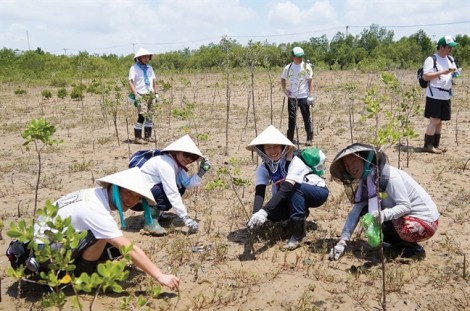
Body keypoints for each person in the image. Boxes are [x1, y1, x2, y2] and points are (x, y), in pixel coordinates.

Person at [28, 168, 180, 290]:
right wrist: (160, 276)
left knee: (110, 244)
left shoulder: (93, 194)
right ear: (114, 188)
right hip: (45, 253)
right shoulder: (96, 208)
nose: (132, 201)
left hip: (39, 243)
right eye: (128, 193)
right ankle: (83, 274)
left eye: (137, 197)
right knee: (103, 236)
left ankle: (77, 265)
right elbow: (129, 249)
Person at [328, 143, 439, 261]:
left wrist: (381, 216)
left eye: (353, 161)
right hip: (405, 218)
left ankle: (411, 247)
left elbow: (405, 206)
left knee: (376, 220)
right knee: (365, 213)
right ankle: (399, 244)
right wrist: (342, 241)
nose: (350, 168)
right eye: (346, 165)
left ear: (364, 159)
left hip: (425, 222)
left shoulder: (390, 176)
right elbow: (356, 211)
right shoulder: (367, 181)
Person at [246, 125, 329, 250]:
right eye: (268, 148)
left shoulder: (295, 162)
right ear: (262, 150)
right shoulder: (263, 168)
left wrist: (264, 211)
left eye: (276, 147)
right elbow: (260, 192)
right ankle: (301, 213)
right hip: (291, 194)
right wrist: (256, 214)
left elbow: (287, 188)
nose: (273, 151)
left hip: (316, 192)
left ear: (283, 147)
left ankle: (298, 234)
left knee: (294, 188)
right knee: (272, 215)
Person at [136, 135, 211, 235]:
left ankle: (157, 214)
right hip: (136, 199)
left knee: (180, 187)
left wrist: (201, 172)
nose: (188, 159)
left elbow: (187, 184)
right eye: (186, 154)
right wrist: (186, 218)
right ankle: (150, 222)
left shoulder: (177, 166)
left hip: (146, 194)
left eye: (192, 158)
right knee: (165, 190)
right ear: (176, 151)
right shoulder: (166, 163)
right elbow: (172, 193)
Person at [422, 35, 458, 153]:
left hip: (446, 95)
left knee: (440, 121)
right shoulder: (432, 59)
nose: (450, 49)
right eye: (448, 47)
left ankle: (435, 145)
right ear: (441, 47)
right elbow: (426, 76)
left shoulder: (450, 59)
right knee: (434, 120)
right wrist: (443, 72)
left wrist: (454, 74)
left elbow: (453, 72)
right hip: (434, 94)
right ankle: (428, 146)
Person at [280, 46, 315, 146]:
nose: (301, 59)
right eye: (299, 57)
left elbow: (310, 81)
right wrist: (285, 90)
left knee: (306, 118)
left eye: (302, 56)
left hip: (303, 96)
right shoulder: (288, 68)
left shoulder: (306, 67)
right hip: (292, 97)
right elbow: (282, 79)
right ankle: (290, 139)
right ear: (293, 57)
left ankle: (309, 138)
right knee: (291, 119)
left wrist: (310, 95)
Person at [128, 48, 159, 144]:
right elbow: (130, 81)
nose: (146, 59)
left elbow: (153, 81)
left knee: (149, 116)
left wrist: (156, 93)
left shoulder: (150, 68)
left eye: (147, 57)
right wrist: (136, 94)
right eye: (144, 57)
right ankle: (137, 137)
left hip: (150, 94)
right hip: (141, 94)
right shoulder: (134, 68)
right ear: (139, 58)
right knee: (142, 115)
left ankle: (148, 136)